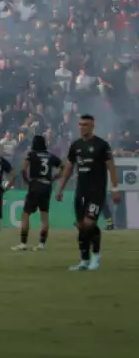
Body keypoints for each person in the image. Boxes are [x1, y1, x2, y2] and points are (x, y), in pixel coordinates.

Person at [56, 114, 121, 271]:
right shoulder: (76, 146)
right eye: (80, 124)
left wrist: (115, 188)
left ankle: (96, 257)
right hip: (81, 191)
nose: (82, 127)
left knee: (89, 223)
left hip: (96, 191)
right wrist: (60, 188)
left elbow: (111, 167)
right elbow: (69, 168)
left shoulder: (102, 145)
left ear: (92, 126)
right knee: (81, 225)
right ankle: (84, 260)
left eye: (85, 124)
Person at [13, 135, 62, 252]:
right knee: (44, 216)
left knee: (25, 214)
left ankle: (23, 243)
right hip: (47, 185)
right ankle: (41, 244)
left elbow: (24, 169)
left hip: (35, 184)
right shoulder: (50, 155)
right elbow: (64, 166)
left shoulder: (32, 154)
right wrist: (56, 177)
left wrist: (27, 181)